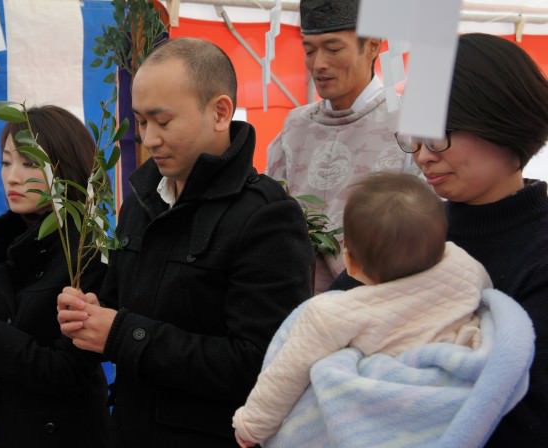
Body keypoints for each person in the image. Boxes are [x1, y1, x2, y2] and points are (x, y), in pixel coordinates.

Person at [57, 37, 314, 447]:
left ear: (220, 112)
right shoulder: (140, 203)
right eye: (141, 122)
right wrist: (90, 315)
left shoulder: (266, 216)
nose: (149, 139)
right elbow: (121, 308)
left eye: (163, 121)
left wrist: (125, 333)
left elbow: (262, 364)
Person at [333, 33, 548, 445]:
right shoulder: (410, 227)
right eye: (414, 137)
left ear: (503, 120)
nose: (423, 155)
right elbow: (333, 318)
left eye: (438, 135)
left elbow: (527, 417)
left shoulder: (538, 254)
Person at [232, 172, 491, 447]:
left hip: (383, 413)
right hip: (450, 403)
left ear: (351, 263)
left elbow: (285, 374)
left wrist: (251, 426)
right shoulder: (466, 267)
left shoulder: (335, 313)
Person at [0, 105, 110, 447]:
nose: (12, 177)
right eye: (6, 162)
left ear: (66, 167)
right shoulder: (0, 250)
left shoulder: (88, 254)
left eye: (30, 163)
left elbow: (66, 372)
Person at [266, 0, 416, 293]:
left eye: (333, 49)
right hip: (293, 300)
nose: (319, 63)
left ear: (372, 46)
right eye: (309, 50)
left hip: (376, 300)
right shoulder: (295, 126)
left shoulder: (408, 126)